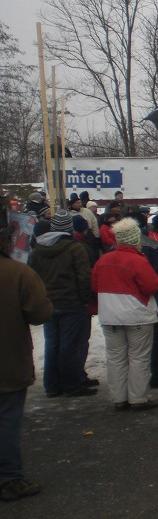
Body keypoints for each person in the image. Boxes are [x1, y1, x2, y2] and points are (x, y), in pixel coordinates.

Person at [0, 206, 53, 503]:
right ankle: (9, 478)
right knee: (7, 419)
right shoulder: (17, 272)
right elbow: (40, 312)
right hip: (7, 361)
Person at [91, 218, 158, 411]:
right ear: (135, 239)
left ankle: (119, 398)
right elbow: (152, 286)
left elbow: (95, 286)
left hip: (109, 316)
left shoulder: (103, 260)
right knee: (139, 357)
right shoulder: (138, 260)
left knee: (115, 357)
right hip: (137, 315)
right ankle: (138, 398)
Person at [28, 210, 95, 397]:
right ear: (69, 228)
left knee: (52, 345)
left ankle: (52, 386)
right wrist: (83, 300)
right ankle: (71, 385)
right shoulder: (75, 248)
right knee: (69, 346)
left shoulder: (37, 250)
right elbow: (84, 277)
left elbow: (32, 277)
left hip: (48, 303)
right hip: (71, 303)